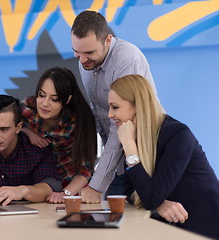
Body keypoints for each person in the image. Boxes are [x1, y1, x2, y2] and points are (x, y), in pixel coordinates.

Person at [109, 74, 219, 239]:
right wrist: (160, 203)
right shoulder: (135, 135)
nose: (110, 114)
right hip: (173, 221)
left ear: (138, 106)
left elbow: (150, 197)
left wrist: (130, 147)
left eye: (115, 107)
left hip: (203, 223)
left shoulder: (178, 135)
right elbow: (130, 189)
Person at [71, 10, 157, 203]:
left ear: (108, 40)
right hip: (115, 160)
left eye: (89, 52)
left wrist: (96, 185)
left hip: (145, 156)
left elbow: (120, 124)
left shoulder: (126, 59)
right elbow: (99, 114)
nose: (83, 60)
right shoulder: (85, 60)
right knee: (114, 223)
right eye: (77, 52)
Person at [0, 94, 62, 206]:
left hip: (26, 221)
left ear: (18, 127)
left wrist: (22, 190)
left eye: (3, 129)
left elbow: (51, 186)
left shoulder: (36, 150)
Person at [20, 67, 97, 203]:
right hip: (38, 185)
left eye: (54, 99)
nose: (44, 103)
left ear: (67, 100)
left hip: (70, 184)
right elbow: (8, 128)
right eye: (41, 95)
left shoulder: (79, 122)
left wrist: (65, 193)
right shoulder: (26, 109)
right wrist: (28, 132)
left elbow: (85, 170)